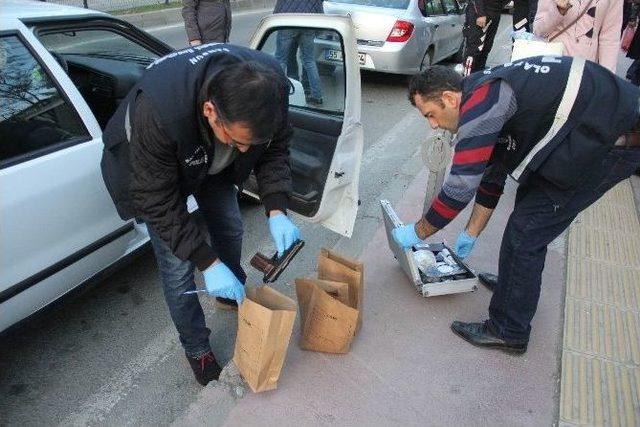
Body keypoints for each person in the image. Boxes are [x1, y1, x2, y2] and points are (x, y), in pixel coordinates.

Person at [394, 57, 640, 354]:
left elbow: (460, 188)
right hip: (588, 134)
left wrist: (417, 232)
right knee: (527, 208)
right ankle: (513, 289)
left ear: (449, 97)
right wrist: (470, 233)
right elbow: (493, 173)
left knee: (526, 232)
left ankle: (509, 331)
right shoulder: (484, 89)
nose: (433, 125)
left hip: (611, 144)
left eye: (430, 115)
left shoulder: (482, 105)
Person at [100, 44, 300, 385]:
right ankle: (197, 349)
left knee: (231, 227)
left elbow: (275, 148)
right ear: (210, 110)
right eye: (237, 140)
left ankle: (228, 292)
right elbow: (158, 202)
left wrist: (277, 207)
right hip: (157, 175)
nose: (243, 151)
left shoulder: (270, 88)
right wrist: (206, 261)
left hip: (208, 163)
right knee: (179, 270)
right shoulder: (159, 112)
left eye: (249, 144)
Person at [533, 0, 622, 73]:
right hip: (550, 63)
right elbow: (539, 31)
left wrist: (607, 79)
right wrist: (558, 11)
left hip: (584, 68)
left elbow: (610, 39)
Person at [273, 0, 324, 105]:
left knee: (281, 59)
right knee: (309, 60)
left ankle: (275, 94)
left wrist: (274, 20)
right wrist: (319, 30)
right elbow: (319, 7)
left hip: (288, 22)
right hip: (308, 23)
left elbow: (279, 4)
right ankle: (317, 96)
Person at [463, 0, 511, 73]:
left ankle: (479, 77)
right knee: (474, 49)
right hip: (479, 13)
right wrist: (480, 14)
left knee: (486, 48)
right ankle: (467, 79)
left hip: (495, 13)